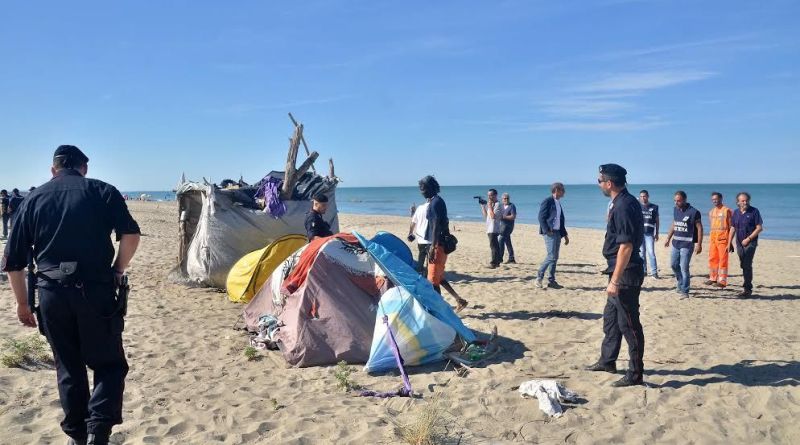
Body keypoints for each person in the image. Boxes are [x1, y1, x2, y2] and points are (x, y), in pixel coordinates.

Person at [2, 145, 141, 445]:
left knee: (68, 365)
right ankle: (98, 431)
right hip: (96, 290)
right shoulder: (102, 191)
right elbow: (131, 235)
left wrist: (23, 304)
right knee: (109, 364)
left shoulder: (33, 198)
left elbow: (13, 262)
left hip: (51, 292)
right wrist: (117, 270)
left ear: (53, 170)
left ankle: (78, 435)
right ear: (84, 168)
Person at [585, 164, 645, 387]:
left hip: (626, 273)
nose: (599, 184)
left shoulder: (624, 205)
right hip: (616, 268)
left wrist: (615, 280)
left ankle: (636, 373)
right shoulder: (618, 203)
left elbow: (627, 246)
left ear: (609, 183)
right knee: (611, 320)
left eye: (600, 180)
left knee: (629, 324)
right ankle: (608, 360)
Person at [419, 175, 468, 311]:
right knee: (439, 277)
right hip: (438, 244)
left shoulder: (435, 203)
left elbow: (436, 226)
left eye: (422, 188)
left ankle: (439, 310)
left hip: (438, 245)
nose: (421, 191)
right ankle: (459, 300)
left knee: (433, 280)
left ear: (430, 188)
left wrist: (433, 247)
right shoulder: (436, 201)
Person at [664, 191, 703, 298]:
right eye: (675, 200)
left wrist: (699, 244)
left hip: (687, 244)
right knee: (673, 265)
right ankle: (681, 283)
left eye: (679, 200)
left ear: (685, 200)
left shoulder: (694, 212)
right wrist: (668, 237)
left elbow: (699, 228)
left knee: (684, 267)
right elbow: (674, 223)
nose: (676, 202)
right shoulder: (675, 209)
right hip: (676, 243)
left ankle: (685, 290)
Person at [730, 192, 763, 298]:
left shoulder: (754, 211)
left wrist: (748, 239)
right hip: (739, 243)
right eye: (743, 200)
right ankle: (746, 287)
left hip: (750, 243)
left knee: (747, 265)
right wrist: (729, 242)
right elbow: (733, 228)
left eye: (747, 200)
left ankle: (747, 289)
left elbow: (759, 228)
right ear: (738, 202)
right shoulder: (735, 212)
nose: (745, 202)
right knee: (743, 265)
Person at [536, 182, 569, 289]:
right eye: (562, 190)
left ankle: (551, 281)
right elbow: (541, 217)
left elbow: (561, 220)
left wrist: (565, 235)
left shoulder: (558, 202)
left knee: (555, 257)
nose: (564, 192)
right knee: (551, 256)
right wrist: (546, 230)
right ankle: (539, 277)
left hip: (558, 232)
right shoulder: (547, 201)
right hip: (550, 232)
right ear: (557, 190)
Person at [705, 192, 733, 288]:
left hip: (723, 239)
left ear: (721, 199)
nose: (714, 201)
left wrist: (730, 242)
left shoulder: (727, 210)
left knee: (723, 260)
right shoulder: (711, 212)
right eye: (713, 199)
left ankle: (722, 281)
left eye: (716, 199)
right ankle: (713, 278)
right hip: (713, 240)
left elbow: (731, 227)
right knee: (713, 259)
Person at [638, 190, 659, 278]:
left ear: (648, 196)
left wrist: (657, 233)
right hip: (639, 233)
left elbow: (657, 221)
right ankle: (644, 271)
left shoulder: (654, 207)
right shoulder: (637, 206)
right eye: (641, 196)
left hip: (649, 234)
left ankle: (654, 272)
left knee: (651, 253)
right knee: (642, 253)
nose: (643, 198)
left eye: (644, 196)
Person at [479, 188, 502, 268]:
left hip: (494, 228)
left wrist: (489, 206)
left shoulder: (498, 204)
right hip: (489, 227)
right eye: (488, 195)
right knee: (494, 245)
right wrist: (482, 206)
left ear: (495, 195)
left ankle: (494, 263)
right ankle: (498, 262)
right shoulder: (491, 205)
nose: (489, 197)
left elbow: (493, 216)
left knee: (493, 246)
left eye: (491, 195)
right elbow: (486, 216)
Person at [408, 201, 431, 273]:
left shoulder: (420, 208)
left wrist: (410, 233)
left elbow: (413, 222)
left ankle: (419, 272)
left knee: (421, 257)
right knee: (429, 260)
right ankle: (427, 274)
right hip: (430, 239)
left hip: (420, 239)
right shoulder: (433, 208)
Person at [499, 192, 517, 264]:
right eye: (504, 198)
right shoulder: (501, 206)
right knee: (507, 242)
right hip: (502, 226)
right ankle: (511, 258)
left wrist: (504, 217)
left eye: (507, 198)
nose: (506, 199)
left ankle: (500, 258)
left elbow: (513, 216)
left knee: (501, 240)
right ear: (502, 199)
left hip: (508, 226)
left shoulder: (512, 206)